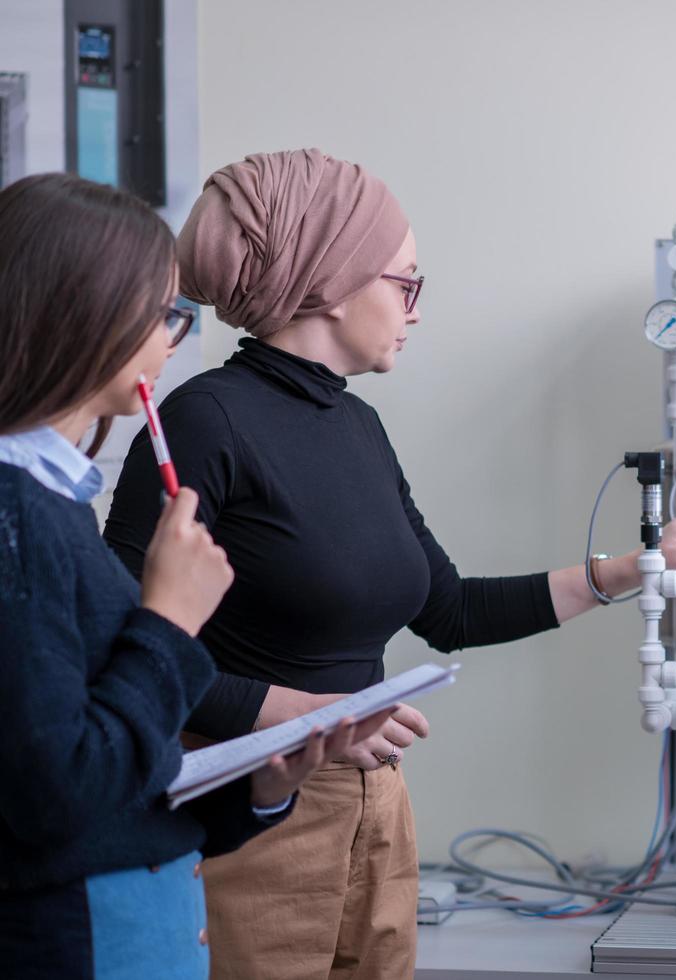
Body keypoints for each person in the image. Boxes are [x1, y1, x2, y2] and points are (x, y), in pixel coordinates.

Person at [102, 148, 676, 979]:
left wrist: (627, 571)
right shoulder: (204, 420)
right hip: (253, 822)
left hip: (379, 811)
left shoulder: (357, 428)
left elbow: (448, 609)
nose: (416, 310)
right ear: (328, 281)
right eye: (406, 284)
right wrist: (299, 715)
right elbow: (121, 641)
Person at [0, 172, 388, 979]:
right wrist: (169, 619)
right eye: (166, 313)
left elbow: (115, 772)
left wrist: (258, 786)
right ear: (85, 312)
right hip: (75, 936)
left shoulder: (51, 501)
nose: (171, 341)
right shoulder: (16, 515)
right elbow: (59, 795)